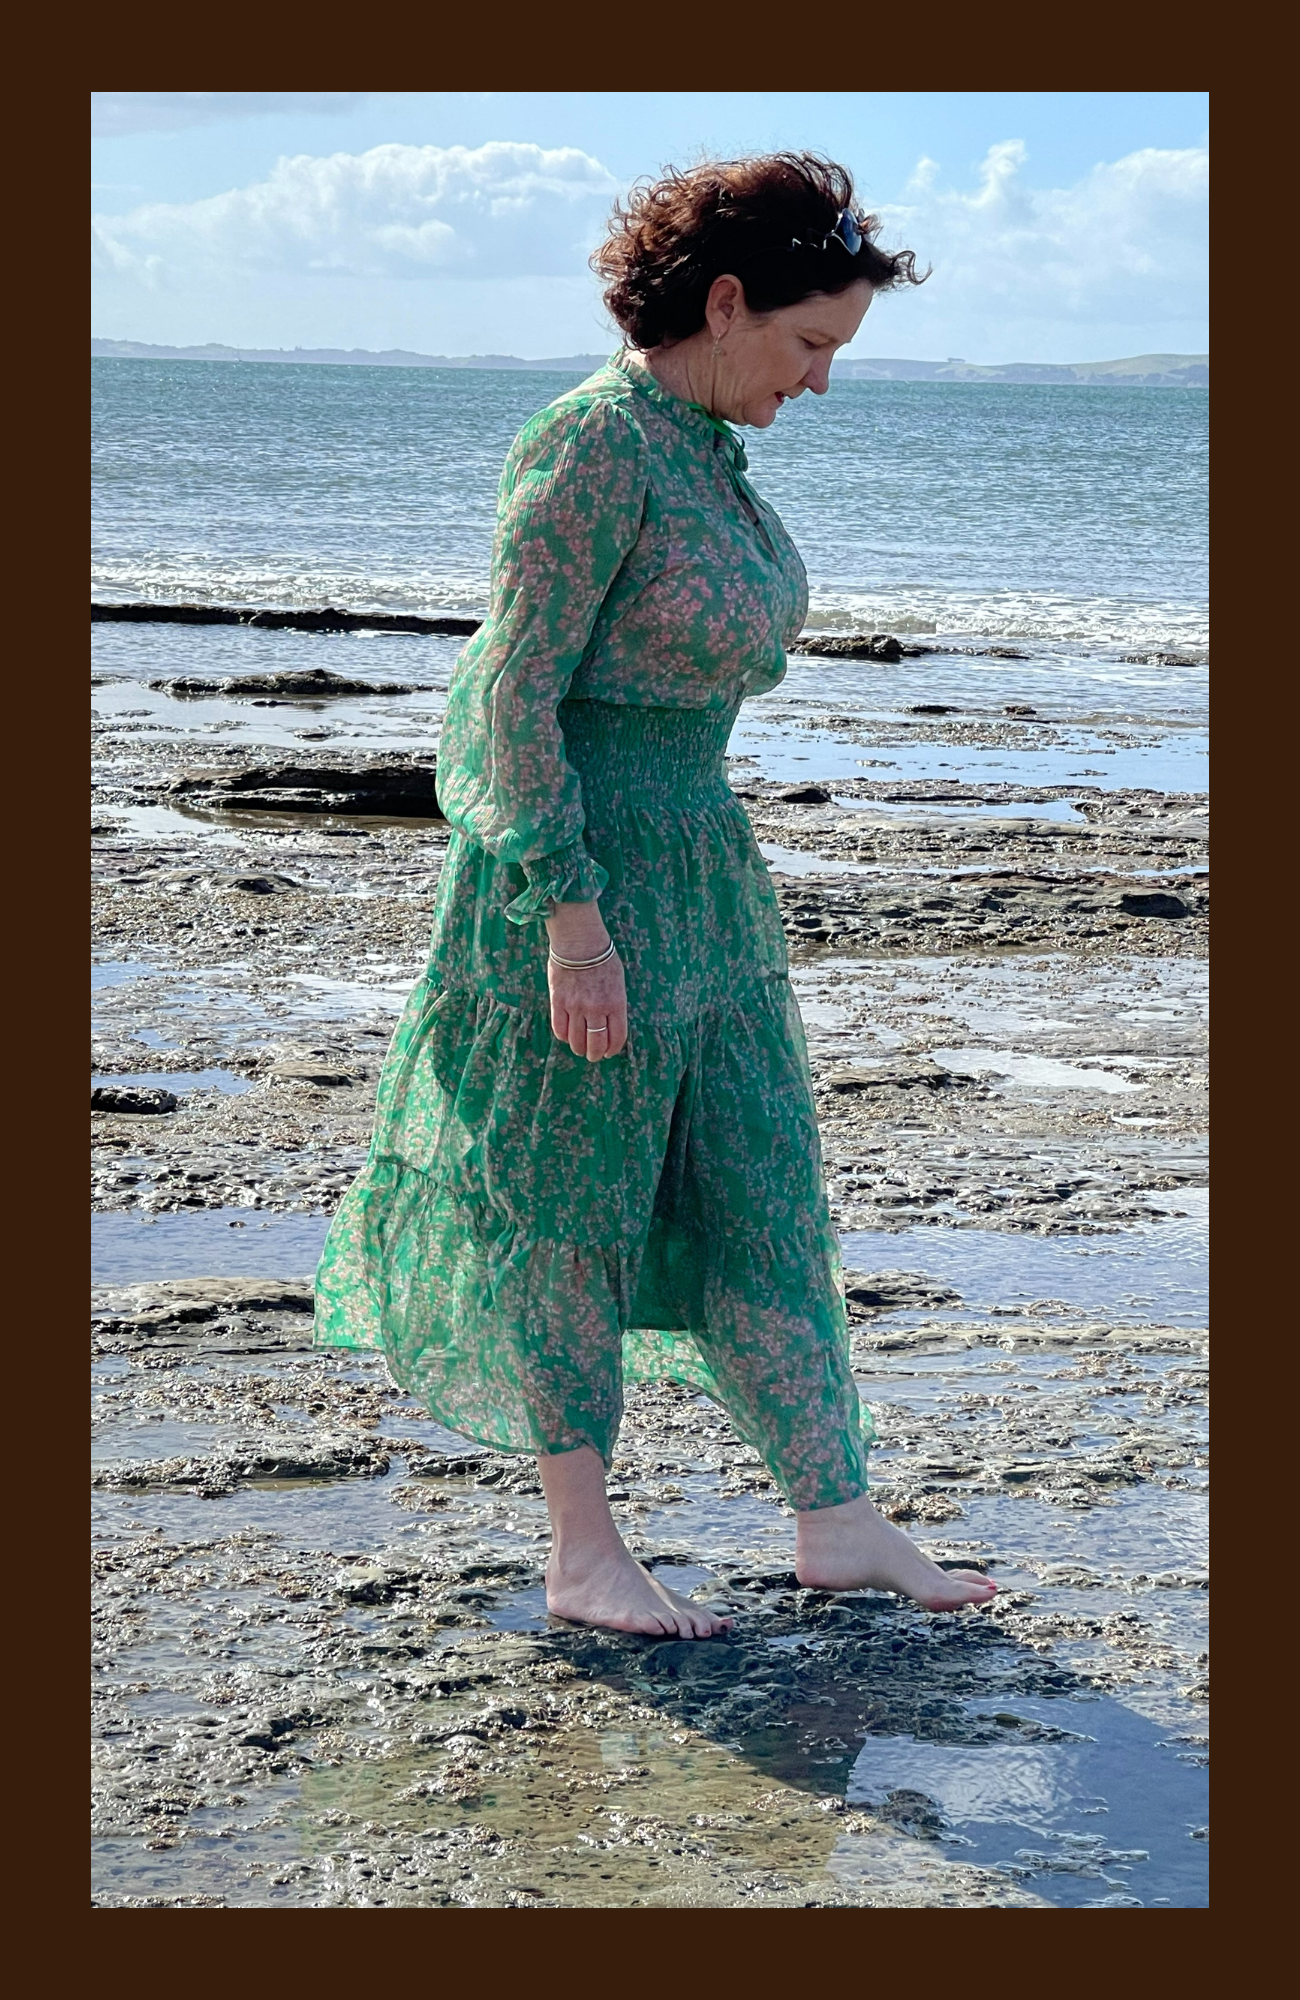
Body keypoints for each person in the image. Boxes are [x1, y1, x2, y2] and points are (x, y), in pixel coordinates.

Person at [315, 152, 997, 1637]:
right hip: (574, 882)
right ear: (728, 303)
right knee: (570, 1205)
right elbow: (507, 702)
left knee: (761, 1184)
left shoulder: (708, 455)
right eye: (810, 343)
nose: (820, 381)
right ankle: (583, 1553)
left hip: (706, 869)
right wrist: (570, 919)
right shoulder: (590, 445)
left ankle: (836, 1517)